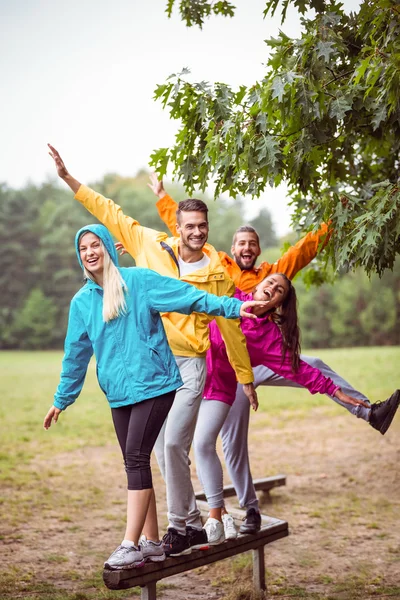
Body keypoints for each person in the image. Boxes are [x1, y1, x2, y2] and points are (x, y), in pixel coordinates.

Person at [150, 176, 400, 534]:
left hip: (263, 361)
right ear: (233, 247)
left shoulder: (273, 274)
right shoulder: (221, 268)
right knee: (230, 441)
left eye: (253, 243)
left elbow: (304, 249)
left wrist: (332, 222)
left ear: (260, 249)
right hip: (229, 370)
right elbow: (186, 232)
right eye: (241, 243)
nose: (247, 248)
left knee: (312, 366)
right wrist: (162, 198)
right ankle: (248, 509)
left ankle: (367, 410)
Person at [47, 144, 257, 557]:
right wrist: (69, 179)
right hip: (137, 375)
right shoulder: (144, 249)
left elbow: (212, 312)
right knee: (151, 452)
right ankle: (159, 535)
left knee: (168, 446)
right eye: (188, 225)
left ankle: (179, 528)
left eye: (202, 225)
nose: (196, 232)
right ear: (176, 226)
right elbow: (107, 212)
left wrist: (244, 369)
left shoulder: (205, 271)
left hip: (180, 367)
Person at [193, 273, 399, 543]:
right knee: (214, 445)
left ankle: (369, 412)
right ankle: (234, 510)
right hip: (210, 373)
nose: (271, 288)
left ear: (280, 302)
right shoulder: (230, 286)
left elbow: (299, 368)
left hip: (244, 372)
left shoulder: (268, 331)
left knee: (314, 363)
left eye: (278, 289)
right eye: (269, 284)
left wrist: (339, 393)